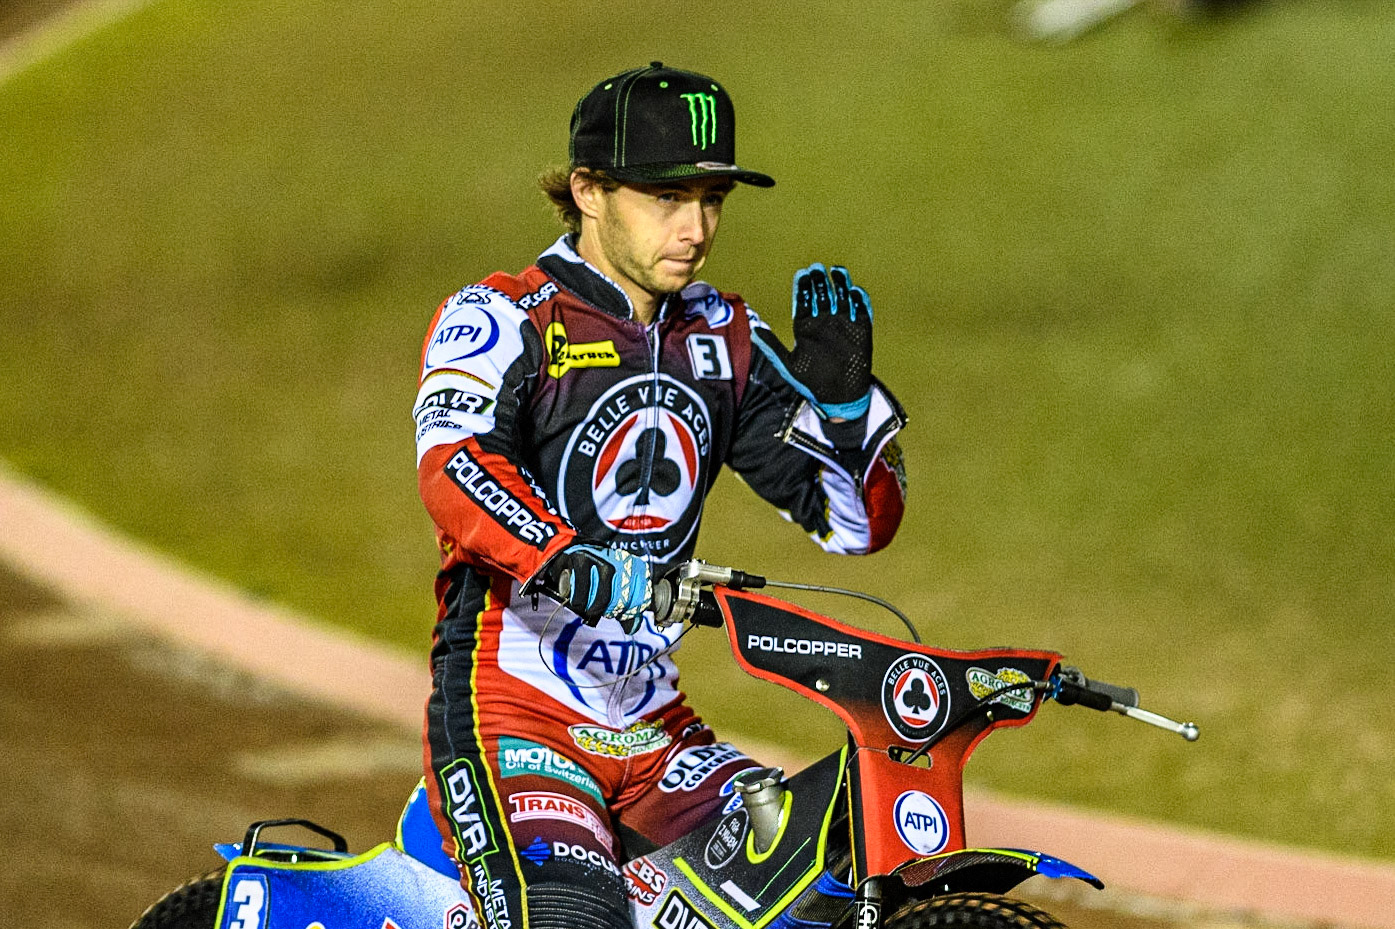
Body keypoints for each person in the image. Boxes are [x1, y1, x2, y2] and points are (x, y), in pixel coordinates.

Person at [413, 61, 908, 929]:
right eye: (667, 198)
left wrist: (844, 413)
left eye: (712, 199)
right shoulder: (500, 317)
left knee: (840, 877)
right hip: (511, 718)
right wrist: (568, 561)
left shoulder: (725, 336)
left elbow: (854, 526)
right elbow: (454, 470)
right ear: (587, 191)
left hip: (653, 729)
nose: (696, 228)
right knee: (573, 918)